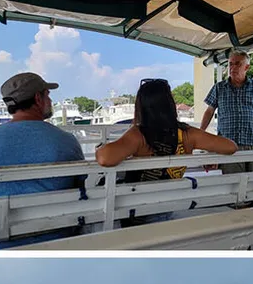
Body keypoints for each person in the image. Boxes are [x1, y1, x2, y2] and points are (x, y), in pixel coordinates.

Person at [99, 78, 238, 226]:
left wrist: (99, 148)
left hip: (138, 215)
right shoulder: (187, 134)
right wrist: (210, 156)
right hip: (169, 205)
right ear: (170, 105)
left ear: (142, 107)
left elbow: (104, 158)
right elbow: (231, 146)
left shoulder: (138, 135)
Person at [0, 72, 85, 248]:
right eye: (48, 96)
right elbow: (81, 188)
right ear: (38, 98)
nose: (50, 101)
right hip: (59, 239)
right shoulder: (66, 141)